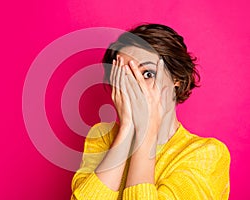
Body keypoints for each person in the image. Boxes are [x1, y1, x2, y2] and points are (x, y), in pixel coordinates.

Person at [70, 24, 230, 200]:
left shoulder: (207, 154)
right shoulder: (102, 136)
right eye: (124, 77)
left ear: (176, 78)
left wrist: (146, 134)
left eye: (147, 74)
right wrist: (126, 129)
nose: (134, 86)